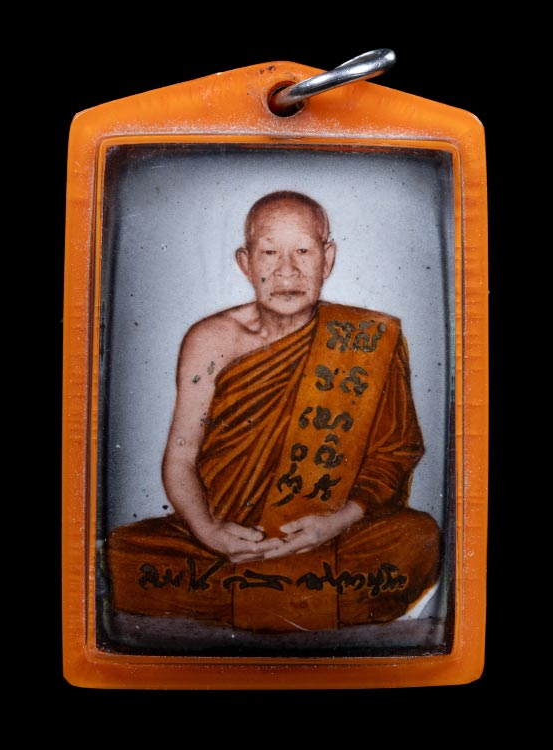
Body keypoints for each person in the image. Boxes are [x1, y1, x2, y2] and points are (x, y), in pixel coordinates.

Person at [106, 190, 442, 632]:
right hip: (228, 534)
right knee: (122, 552)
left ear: (328, 258)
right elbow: (181, 457)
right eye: (269, 253)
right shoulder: (210, 340)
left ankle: (249, 591)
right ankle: (297, 594)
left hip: (327, 531)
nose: (287, 271)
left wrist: (335, 522)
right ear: (246, 263)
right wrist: (209, 532)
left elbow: (393, 455)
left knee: (419, 538)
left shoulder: (365, 338)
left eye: (303, 251)